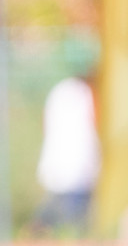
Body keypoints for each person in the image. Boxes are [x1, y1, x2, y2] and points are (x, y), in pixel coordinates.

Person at [31, 74, 100, 235]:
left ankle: (37, 236)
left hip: (66, 164)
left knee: (60, 211)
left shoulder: (59, 91)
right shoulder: (86, 93)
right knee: (73, 216)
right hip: (76, 164)